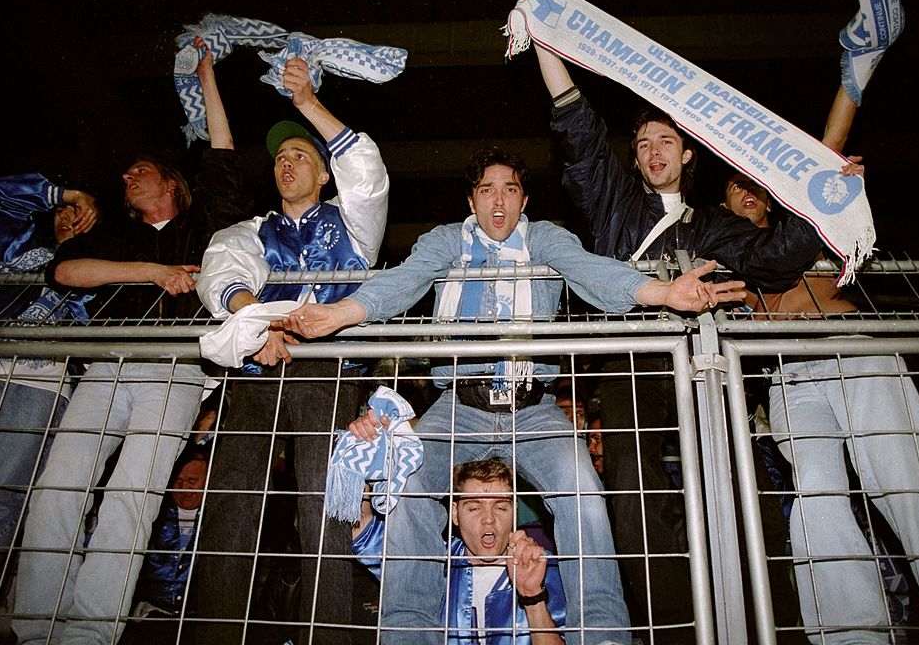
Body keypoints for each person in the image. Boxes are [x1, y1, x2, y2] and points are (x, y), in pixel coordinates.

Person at [274, 146, 746, 645]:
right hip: (459, 405)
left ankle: (604, 638)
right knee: (408, 492)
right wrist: (344, 312)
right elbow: (405, 281)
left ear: (524, 199)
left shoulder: (544, 237)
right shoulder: (445, 241)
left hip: (534, 408)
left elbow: (589, 270)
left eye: (510, 189)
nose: (498, 201)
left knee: (584, 497)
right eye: (487, 190)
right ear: (471, 199)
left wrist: (660, 292)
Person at [521, 0, 830, 636]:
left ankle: (772, 620)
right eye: (643, 144)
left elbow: (775, 255)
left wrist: (828, 199)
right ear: (633, 158)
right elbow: (576, 124)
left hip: (703, 365)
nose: (654, 151)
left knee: (737, 481)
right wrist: (546, 37)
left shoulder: (714, 226)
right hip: (631, 362)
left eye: (667, 141)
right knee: (633, 486)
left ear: (688, 153)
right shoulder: (614, 205)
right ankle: (670, 623)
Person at [13, 37, 245, 645]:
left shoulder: (206, 225)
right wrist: (149, 273)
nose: (126, 176)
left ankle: (89, 632)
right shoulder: (117, 233)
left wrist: (206, 73)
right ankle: (37, 625)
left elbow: (220, 148)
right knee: (60, 483)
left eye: (138, 170)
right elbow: (65, 272)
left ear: (170, 182)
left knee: (132, 494)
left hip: (175, 370)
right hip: (107, 367)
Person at [722, 178, 919, 642]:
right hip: (789, 375)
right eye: (735, 187)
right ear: (723, 203)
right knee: (817, 493)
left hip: (850, 346)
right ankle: (850, 632)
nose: (746, 193)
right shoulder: (719, 255)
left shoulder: (805, 230)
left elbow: (835, 217)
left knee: (908, 486)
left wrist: (835, 185)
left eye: (753, 185)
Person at [194, 55, 389, 644]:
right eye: (280, 157)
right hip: (257, 368)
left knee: (322, 510)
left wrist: (306, 102)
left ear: (323, 174)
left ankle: (327, 636)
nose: (287, 163)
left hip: (327, 371)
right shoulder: (254, 230)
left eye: (300, 155)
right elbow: (222, 266)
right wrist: (257, 323)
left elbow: (369, 170)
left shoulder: (354, 225)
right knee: (230, 508)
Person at [353, 459, 568, 645]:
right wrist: (365, 456)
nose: (488, 519)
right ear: (455, 514)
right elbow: (362, 529)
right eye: (474, 508)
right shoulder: (434, 560)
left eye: (501, 507)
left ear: (515, 512)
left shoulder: (539, 563)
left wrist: (533, 597)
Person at [0, 175, 98, 564]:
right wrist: (72, 192)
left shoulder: (101, 268)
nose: (68, 216)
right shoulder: (20, 250)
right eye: (62, 210)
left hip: (37, 383)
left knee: (5, 493)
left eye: (80, 213)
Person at [121, 447, 209, 644]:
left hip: (198, 624)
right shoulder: (152, 517)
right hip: (149, 622)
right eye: (177, 482)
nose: (184, 489)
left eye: (192, 482)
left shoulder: (220, 519)